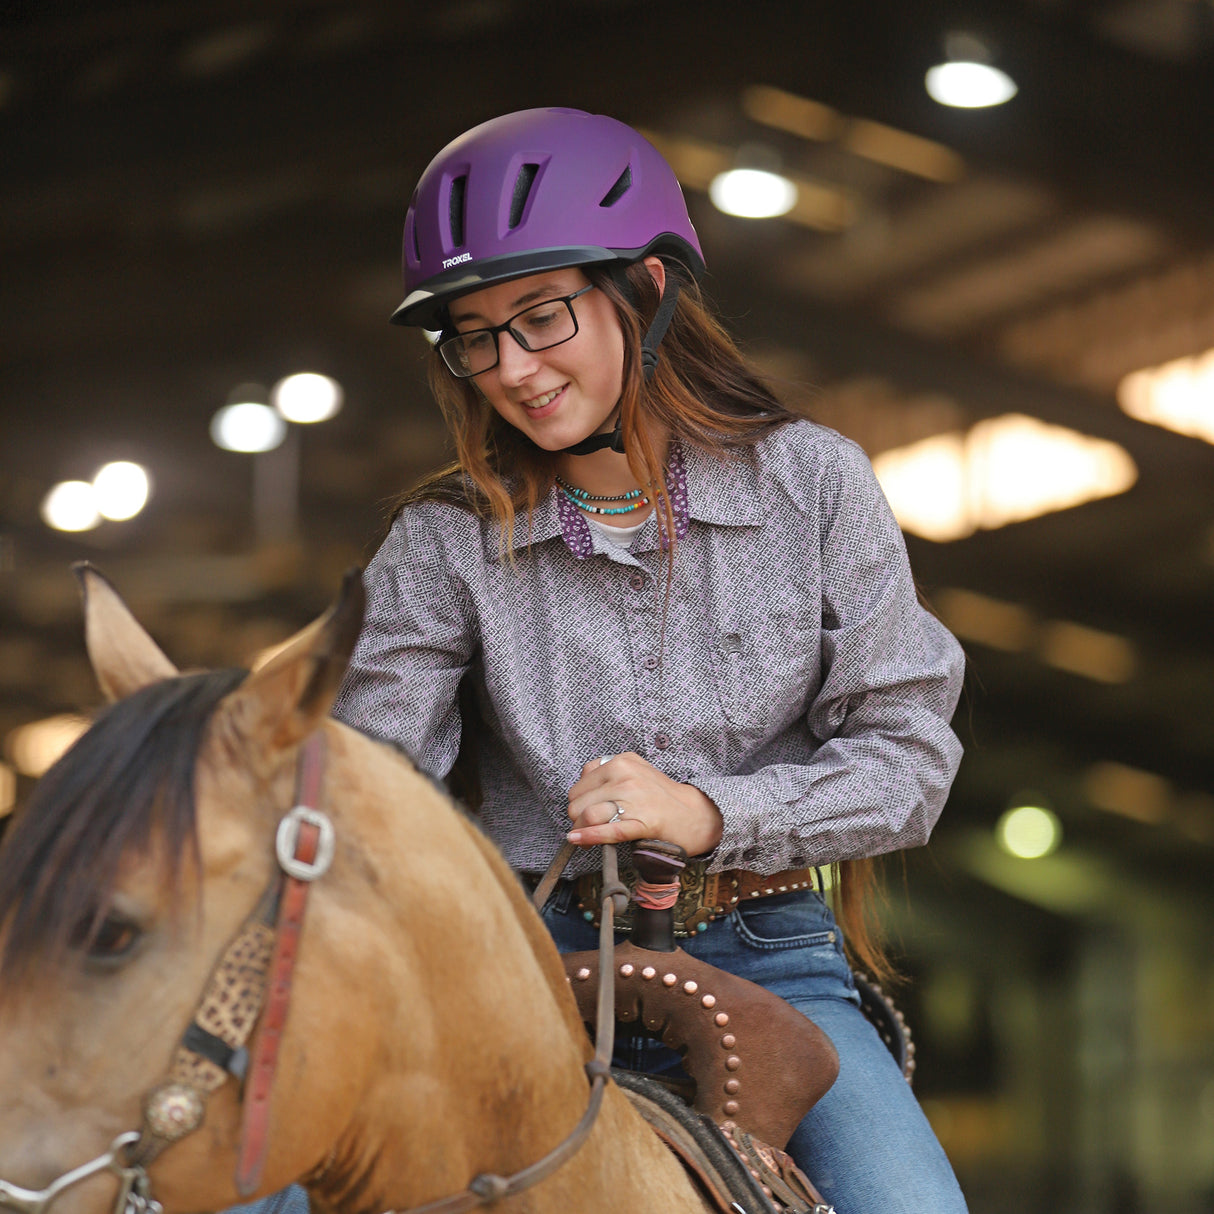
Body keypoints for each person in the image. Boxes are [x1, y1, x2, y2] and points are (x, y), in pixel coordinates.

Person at [333, 106, 968, 1213]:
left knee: (910, 1204)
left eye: (540, 317)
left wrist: (707, 812)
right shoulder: (441, 541)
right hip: (522, 965)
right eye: (472, 335)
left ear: (645, 288)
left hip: (768, 952)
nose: (511, 369)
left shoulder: (813, 485)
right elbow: (371, 789)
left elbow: (907, 760)